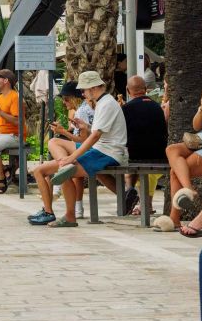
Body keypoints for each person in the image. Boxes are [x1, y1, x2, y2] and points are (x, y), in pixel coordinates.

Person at [49, 70, 128, 227]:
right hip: (104, 149)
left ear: (93, 88)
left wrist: (72, 157)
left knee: (65, 172)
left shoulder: (106, 104)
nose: (83, 94)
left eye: (84, 90)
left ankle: (70, 215)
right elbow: (98, 132)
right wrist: (87, 127)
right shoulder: (104, 102)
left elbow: (95, 136)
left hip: (107, 152)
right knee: (62, 165)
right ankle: (70, 212)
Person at [28, 80, 94, 225]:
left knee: (52, 146)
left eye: (66, 99)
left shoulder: (81, 111)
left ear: (75, 98)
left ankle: (48, 211)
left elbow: (84, 141)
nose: (64, 103)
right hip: (89, 150)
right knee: (46, 169)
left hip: (87, 151)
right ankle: (53, 208)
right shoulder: (85, 109)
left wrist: (63, 132)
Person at [154, 90, 202, 231]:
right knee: (171, 149)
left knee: (175, 172)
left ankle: (174, 219)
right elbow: (196, 126)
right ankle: (188, 189)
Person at [121, 74, 168, 214]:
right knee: (138, 167)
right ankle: (142, 202)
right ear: (146, 89)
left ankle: (130, 192)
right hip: (160, 155)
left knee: (128, 165)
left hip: (135, 156)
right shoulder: (157, 107)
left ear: (128, 90)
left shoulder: (126, 108)